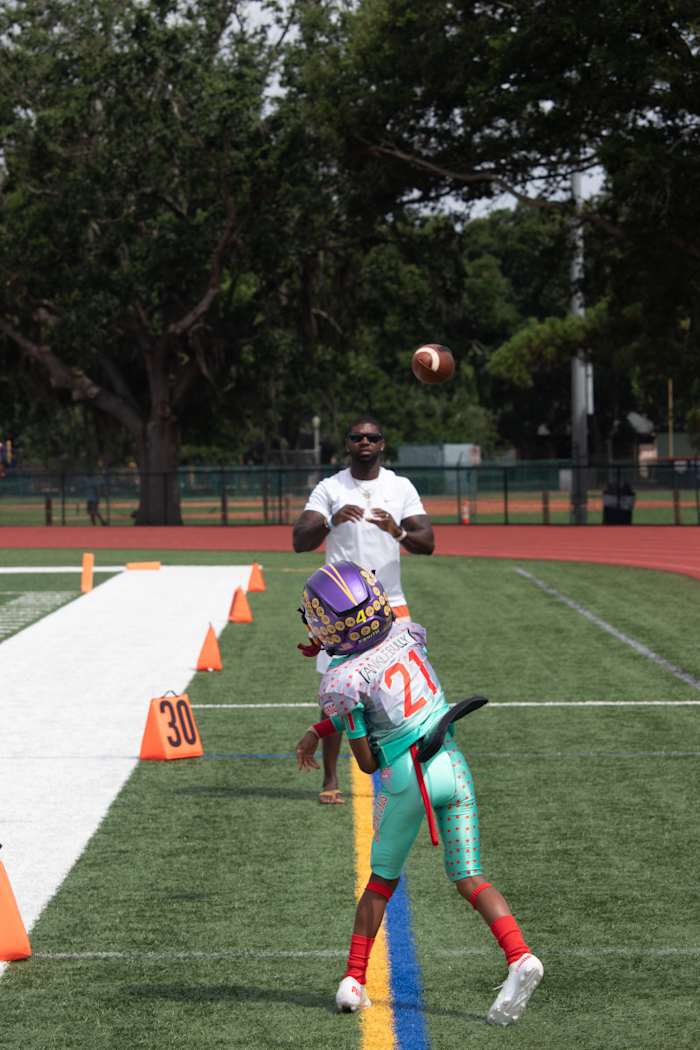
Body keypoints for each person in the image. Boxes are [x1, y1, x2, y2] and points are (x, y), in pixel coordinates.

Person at [294, 561, 543, 1026]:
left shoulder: (342, 681)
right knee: (469, 876)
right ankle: (519, 955)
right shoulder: (406, 633)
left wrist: (340, 723)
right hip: (451, 762)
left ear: (330, 624)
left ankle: (352, 980)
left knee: (381, 882)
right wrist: (320, 727)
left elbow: (367, 760)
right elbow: (391, 693)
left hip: (408, 779)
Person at [292, 415, 434, 804]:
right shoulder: (330, 487)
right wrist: (329, 523)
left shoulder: (399, 486)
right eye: (358, 437)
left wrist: (398, 532)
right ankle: (330, 779)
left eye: (372, 437)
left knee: (404, 689)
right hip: (338, 613)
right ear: (348, 443)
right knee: (334, 694)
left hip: (390, 604)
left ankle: (412, 771)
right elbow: (299, 540)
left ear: (382, 443)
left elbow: (428, 542)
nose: (365, 442)